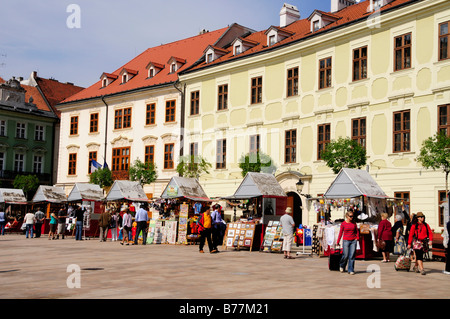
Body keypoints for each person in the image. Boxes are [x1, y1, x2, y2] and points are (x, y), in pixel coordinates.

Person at [337, 210, 359, 275]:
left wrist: (357, 238)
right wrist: (338, 241)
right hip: (346, 240)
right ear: (347, 216)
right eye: (350, 216)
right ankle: (342, 265)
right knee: (345, 255)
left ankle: (351, 269)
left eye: (352, 216)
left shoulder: (354, 223)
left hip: (353, 241)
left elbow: (357, 231)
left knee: (352, 255)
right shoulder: (343, 224)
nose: (352, 218)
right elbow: (341, 232)